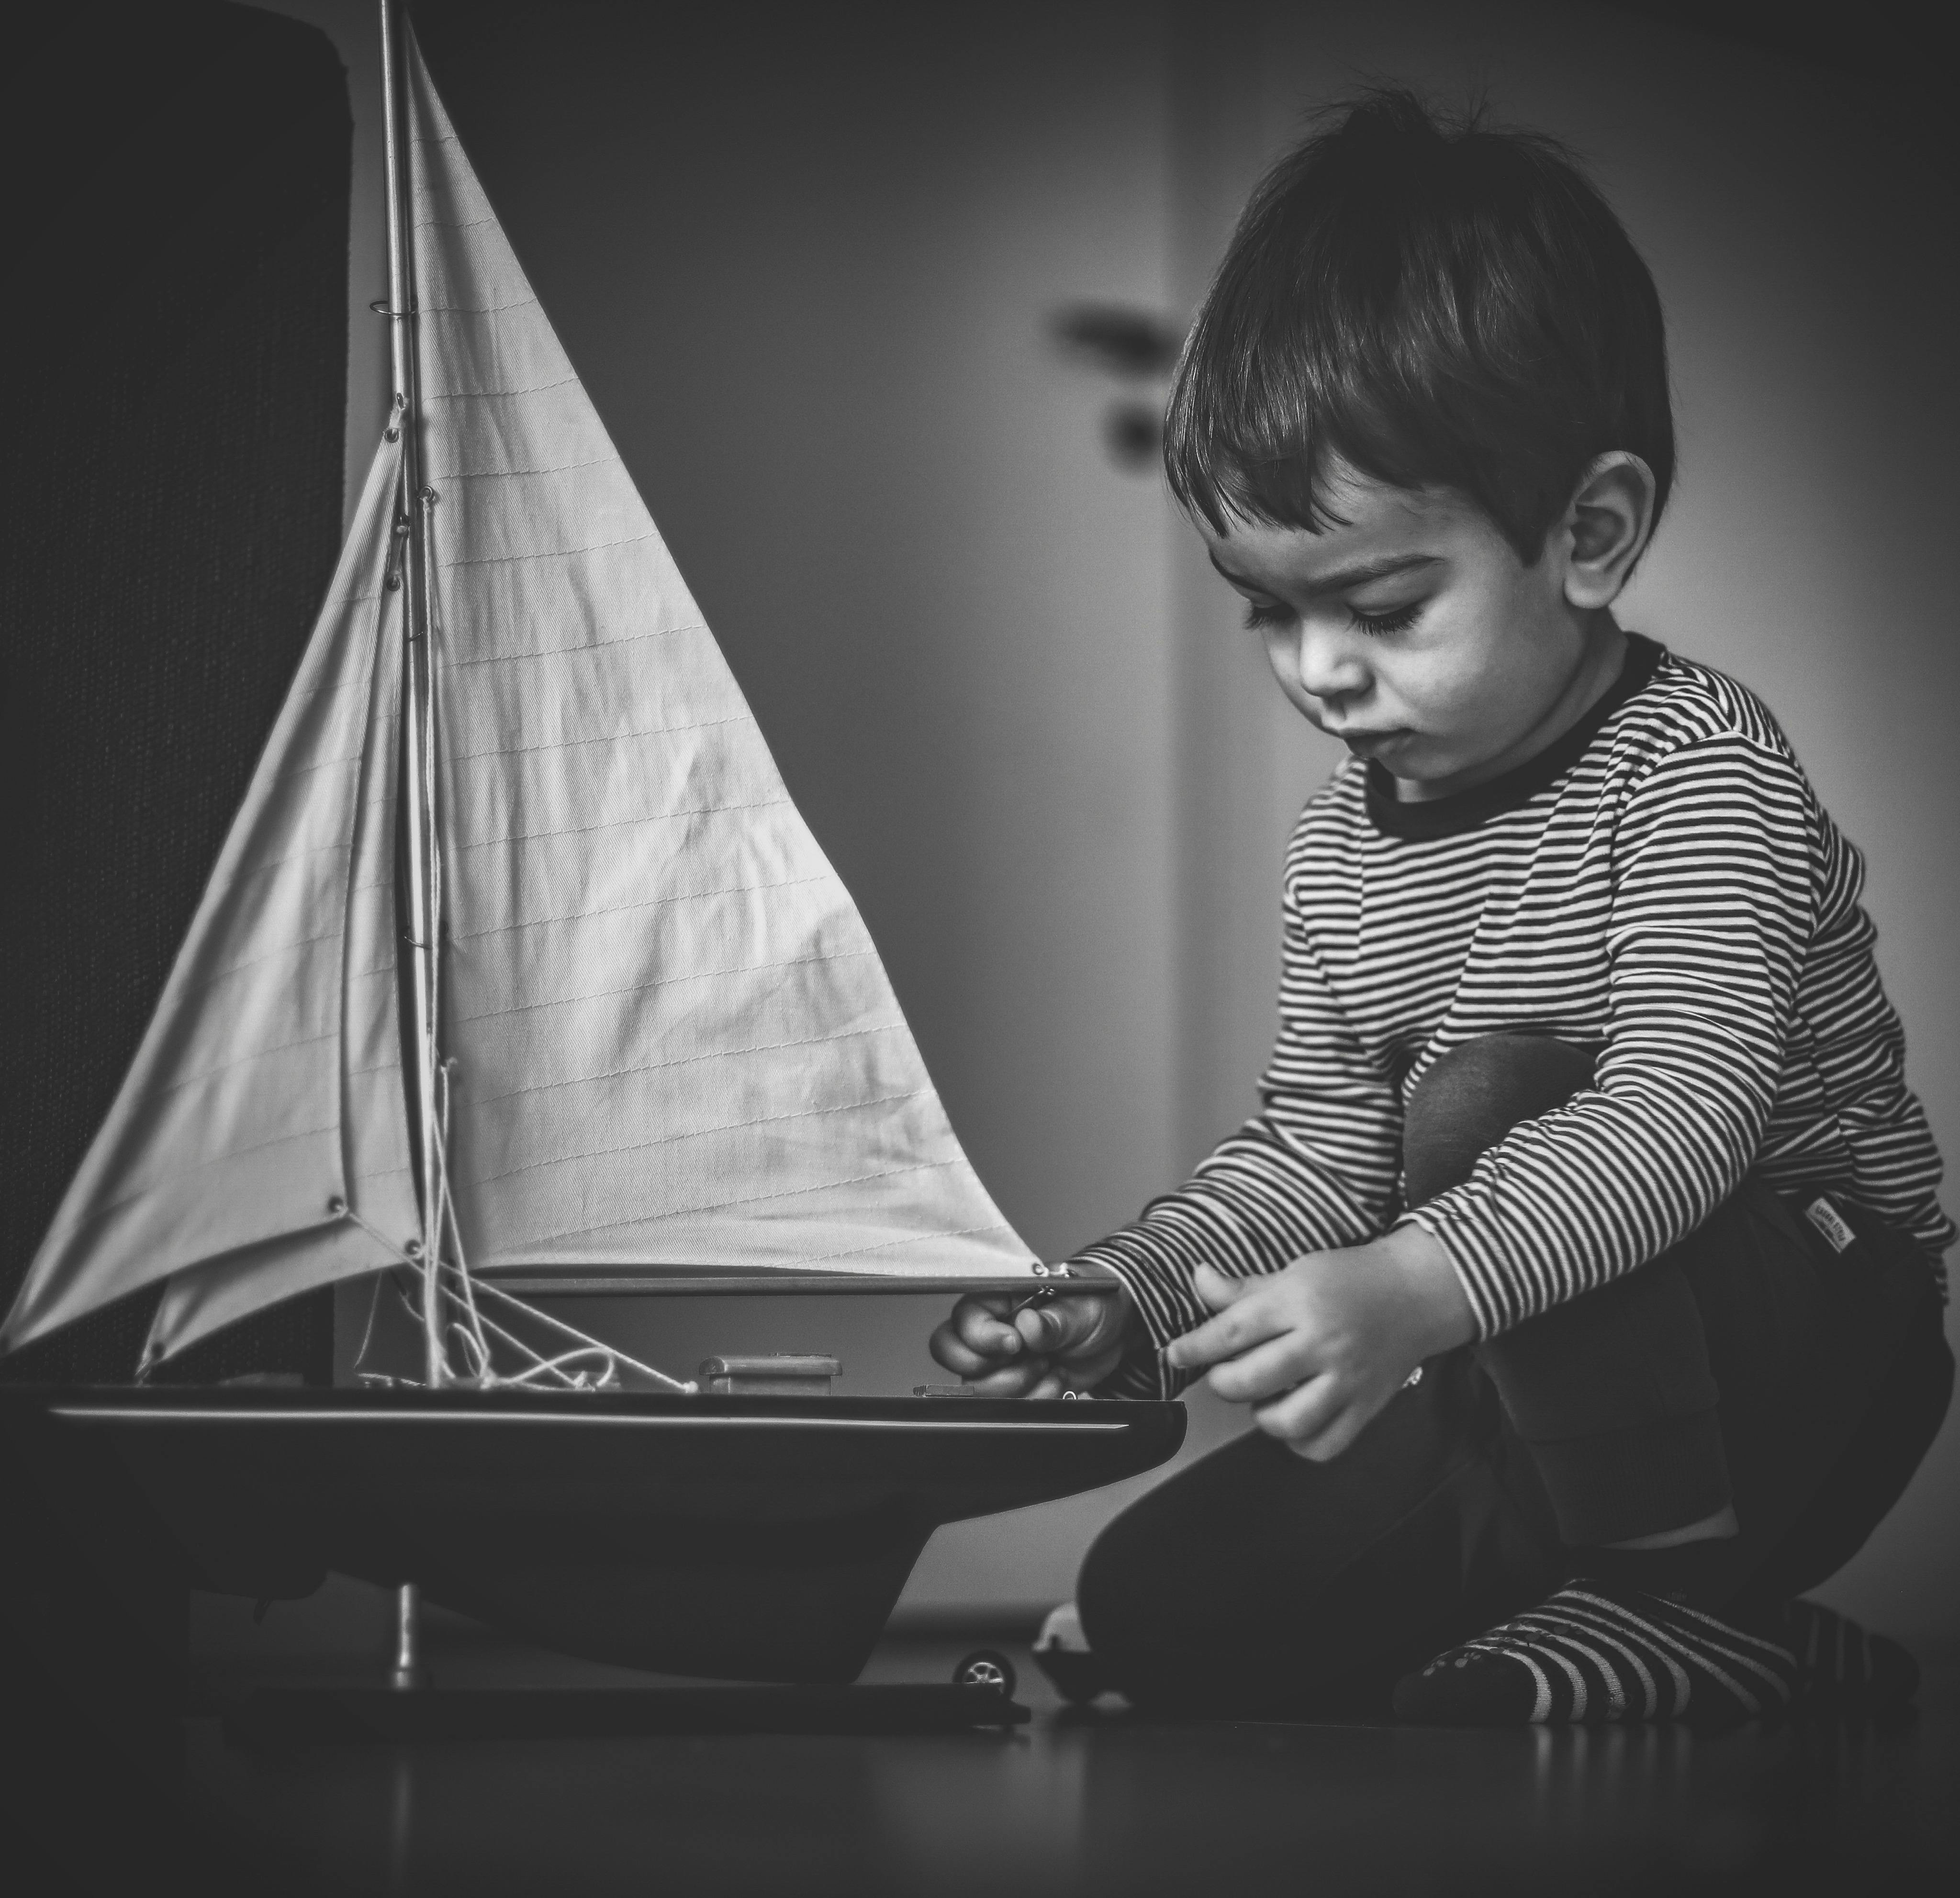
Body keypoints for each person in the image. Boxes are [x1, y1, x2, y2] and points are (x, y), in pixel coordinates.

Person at [930, 88, 1953, 1729]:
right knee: (1154, 1609)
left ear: (1590, 536)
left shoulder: (1698, 768)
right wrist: (1126, 1293)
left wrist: (1413, 1288)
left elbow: (1685, 1113)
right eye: (1270, 611)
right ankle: (1750, 1667)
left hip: (1813, 1333)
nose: (1321, 671)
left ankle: (1676, 1600)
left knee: (1492, 1091)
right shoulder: (1348, 842)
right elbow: (1321, 1150)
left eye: (1386, 606)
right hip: (1520, 1332)